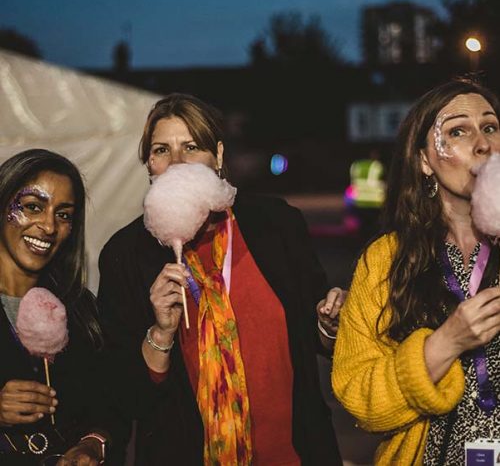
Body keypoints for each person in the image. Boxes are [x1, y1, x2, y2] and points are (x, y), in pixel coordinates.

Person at [98, 93, 344, 465]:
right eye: (161, 150)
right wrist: (161, 334)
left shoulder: (276, 224)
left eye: (192, 147)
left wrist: (328, 324)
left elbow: (315, 337)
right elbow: (125, 396)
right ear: (149, 164)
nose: (177, 162)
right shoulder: (126, 255)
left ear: (219, 157)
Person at [332, 79, 500, 465]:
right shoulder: (385, 260)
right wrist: (446, 343)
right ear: (425, 160)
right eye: (458, 131)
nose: (482, 143)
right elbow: (360, 399)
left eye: (490, 127)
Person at [0, 149, 114, 465]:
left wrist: (93, 444)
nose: (48, 227)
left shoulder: (80, 309)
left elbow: (108, 407)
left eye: (63, 215)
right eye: (32, 207)